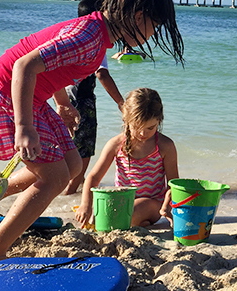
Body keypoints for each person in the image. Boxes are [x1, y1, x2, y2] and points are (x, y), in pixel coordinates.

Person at [0, 0, 185, 265]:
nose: (152, 34)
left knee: (70, 165)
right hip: (8, 94)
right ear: (139, 15)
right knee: (55, 177)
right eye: (154, 26)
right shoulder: (90, 38)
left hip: (33, 96)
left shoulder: (97, 36)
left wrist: (62, 103)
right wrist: (24, 127)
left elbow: (50, 66)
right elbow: (24, 65)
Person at [75, 88, 178, 228]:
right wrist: (85, 205)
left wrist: (166, 206)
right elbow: (93, 177)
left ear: (159, 120)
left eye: (150, 127)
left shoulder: (165, 146)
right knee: (96, 219)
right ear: (126, 118)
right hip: (122, 201)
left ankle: (136, 221)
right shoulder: (116, 144)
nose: (143, 133)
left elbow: (174, 185)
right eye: (137, 126)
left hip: (152, 203)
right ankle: (139, 224)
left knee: (128, 214)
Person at [63, 0, 125, 195]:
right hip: (82, 100)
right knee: (84, 150)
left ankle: (64, 190)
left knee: (66, 146)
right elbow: (102, 74)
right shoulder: (95, 39)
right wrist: (121, 103)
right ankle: (71, 191)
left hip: (64, 98)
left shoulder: (71, 34)